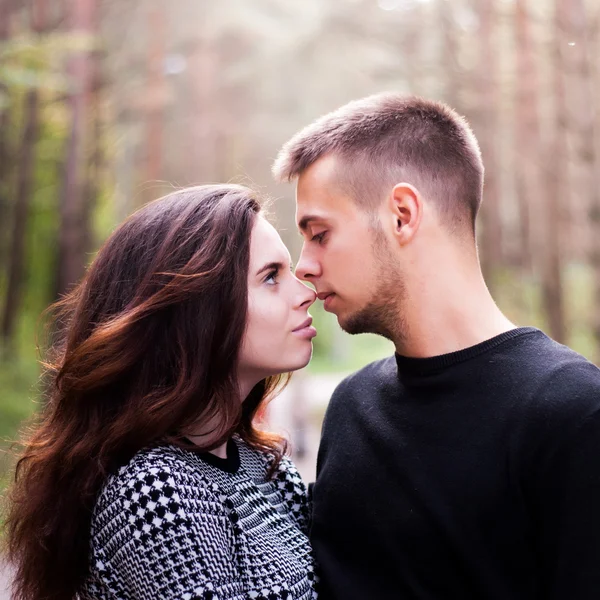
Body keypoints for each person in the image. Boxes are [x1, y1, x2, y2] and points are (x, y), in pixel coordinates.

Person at [272, 93, 600, 599]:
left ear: (402, 214)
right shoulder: (349, 407)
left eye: (319, 233)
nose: (304, 266)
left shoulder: (573, 413)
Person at [4, 185, 319, 600]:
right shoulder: (155, 491)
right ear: (199, 309)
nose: (306, 292)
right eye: (271, 277)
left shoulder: (264, 467)